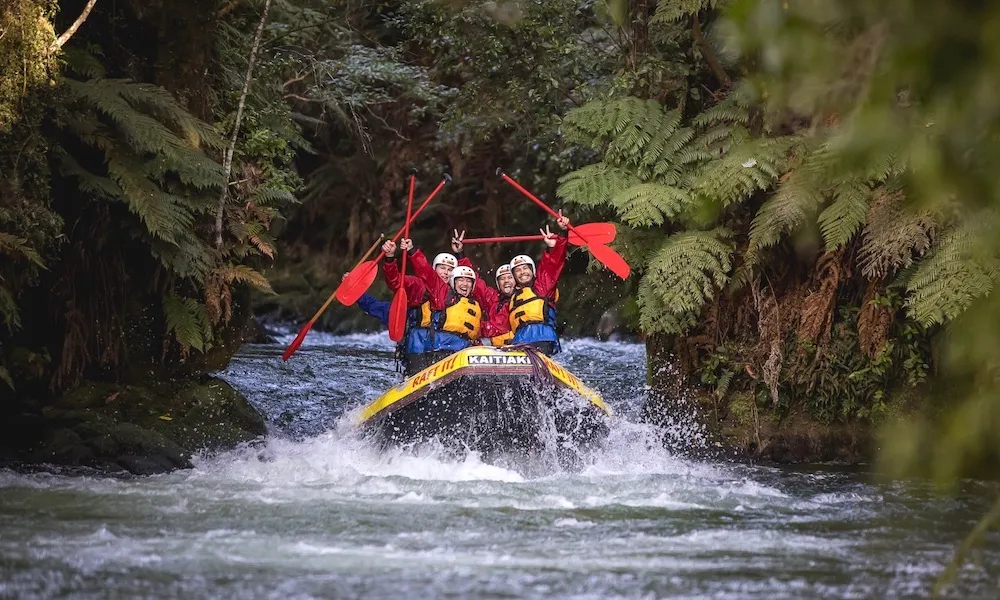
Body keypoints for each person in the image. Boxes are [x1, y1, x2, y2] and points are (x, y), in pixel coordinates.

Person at [380, 240, 459, 376]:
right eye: (442, 268)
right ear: (434, 269)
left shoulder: (458, 294)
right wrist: (389, 258)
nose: (446, 273)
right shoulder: (417, 285)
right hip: (419, 345)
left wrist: (460, 253)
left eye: (450, 269)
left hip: (445, 347)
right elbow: (395, 281)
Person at [405, 237, 483, 359]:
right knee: (417, 333)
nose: (464, 284)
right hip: (440, 345)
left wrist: (460, 254)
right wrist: (412, 251)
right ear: (453, 281)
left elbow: (466, 274)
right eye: (461, 280)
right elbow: (426, 272)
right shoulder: (441, 293)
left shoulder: (475, 302)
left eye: (468, 281)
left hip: (463, 347)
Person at [507, 212, 570, 355]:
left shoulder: (543, 286)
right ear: (514, 277)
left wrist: (562, 235)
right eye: (518, 270)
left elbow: (554, 263)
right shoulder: (512, 298)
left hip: (541, 337)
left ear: (533, 272)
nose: (523, 272)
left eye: (525, 268)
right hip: (519, 341)